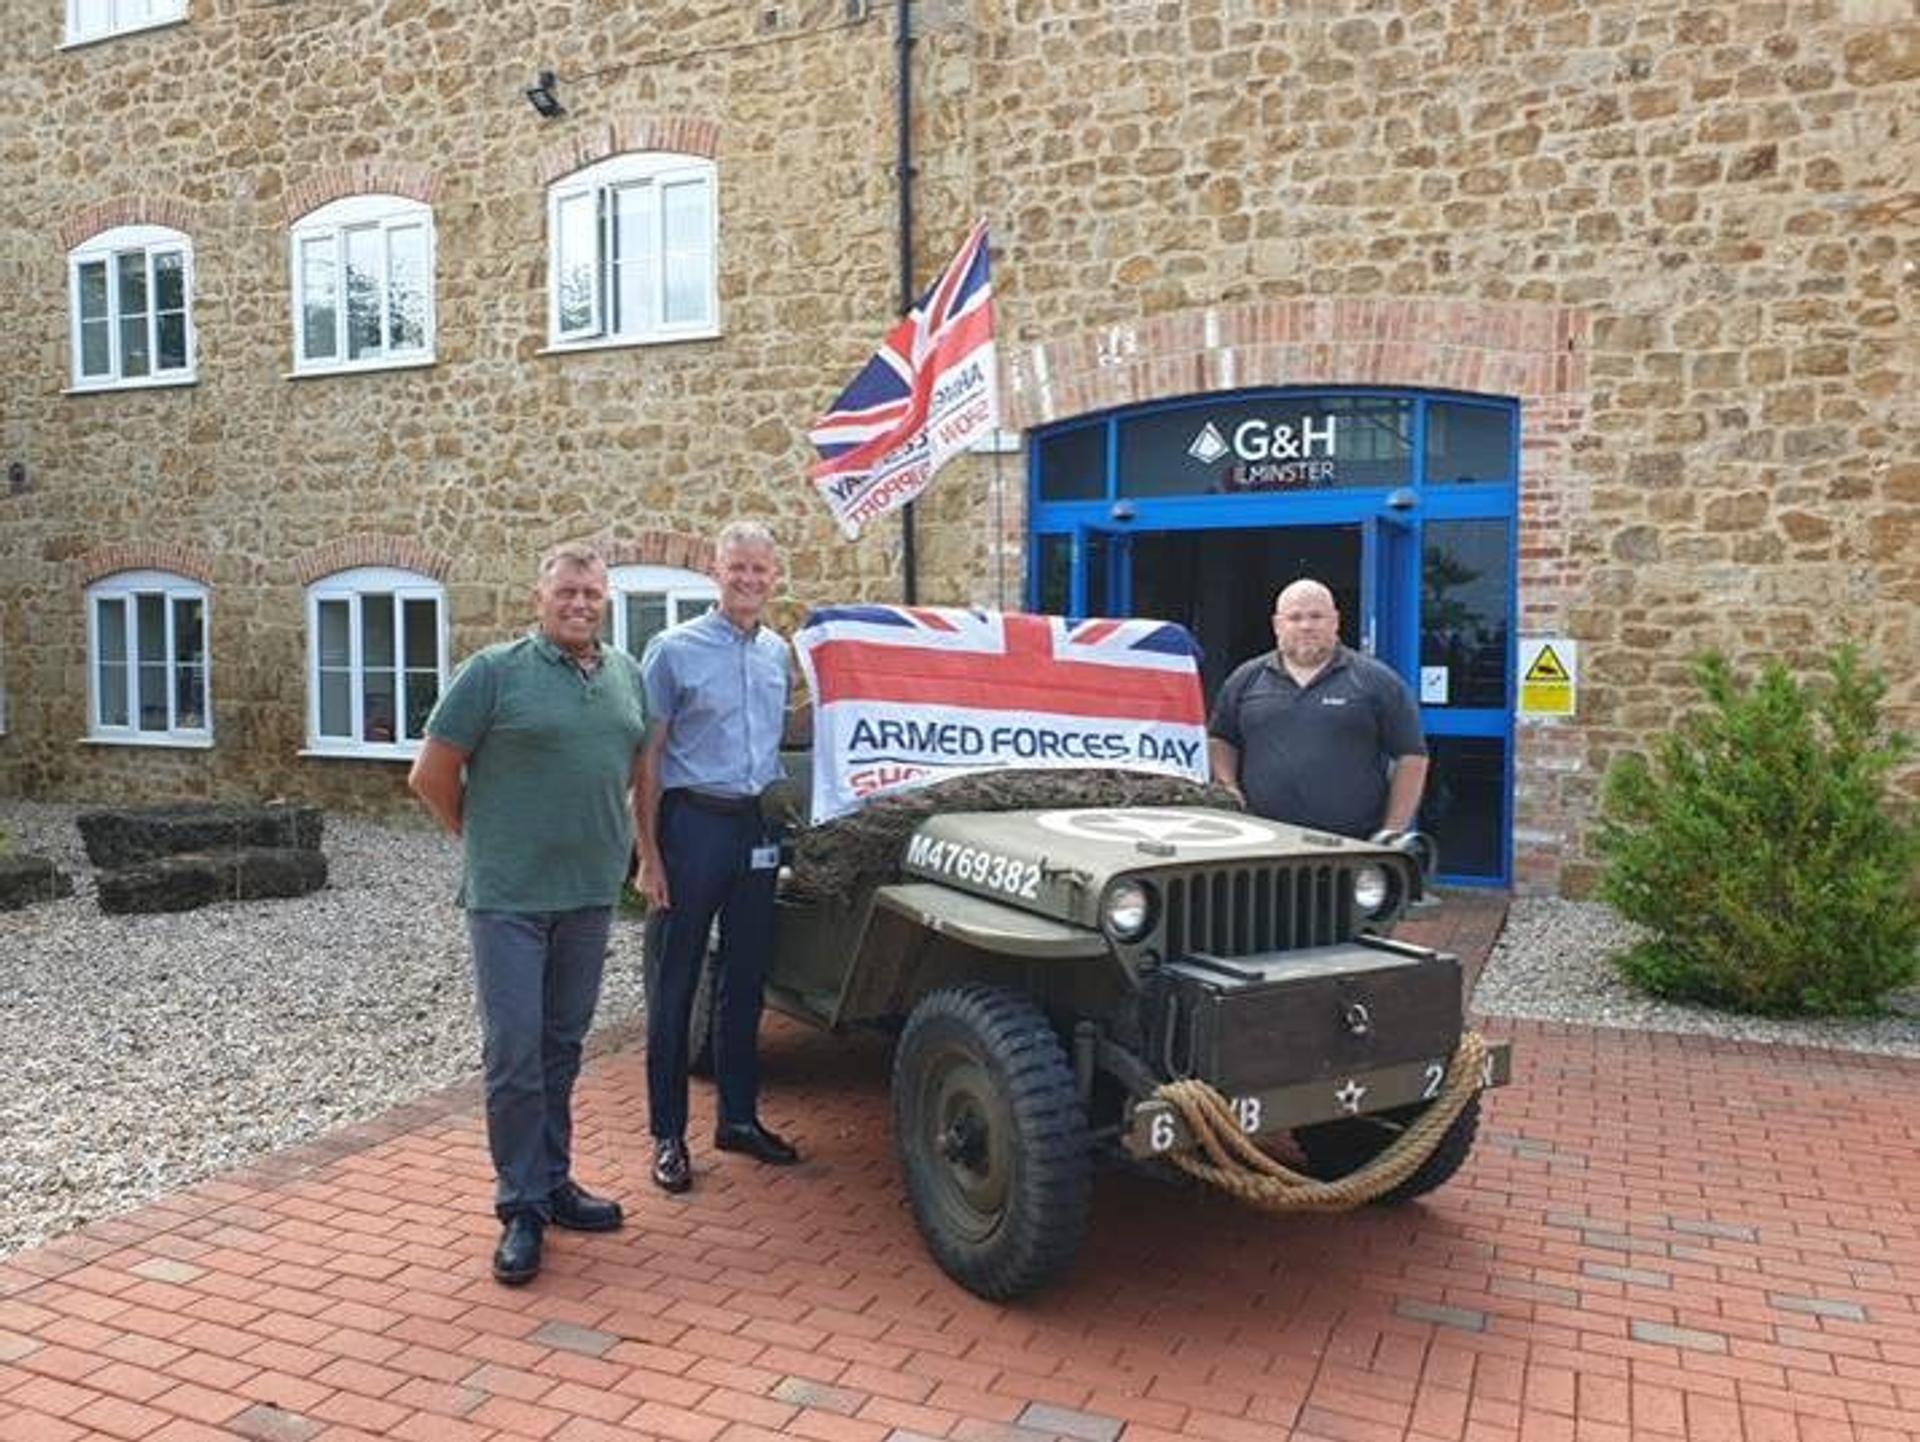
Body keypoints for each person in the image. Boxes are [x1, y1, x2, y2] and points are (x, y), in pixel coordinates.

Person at [408, 542, 646, 1286]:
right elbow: (430, 775)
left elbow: (635, 769)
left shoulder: (624, 675)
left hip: (588, 894)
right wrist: (483, 839)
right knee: (513, 1054)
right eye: (567, 592)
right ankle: (520, 1208)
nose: (580, 604)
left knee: (560, 1048)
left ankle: (553, 1182)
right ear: (540, 598)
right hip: (509, 897)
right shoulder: (494, 673)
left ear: (605, 601)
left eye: (592, 594)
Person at [635, 520, 800, 1194]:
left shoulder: (778, 653)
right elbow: (645, 758)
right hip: (692, 826)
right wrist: (648, 855)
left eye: (761, 570)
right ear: (716, 571)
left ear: (774, 577)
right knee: (674, 987)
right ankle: (668, 1135)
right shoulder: (672, 650)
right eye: (738, 569)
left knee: (745, 981)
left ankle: (737, 1117)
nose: (750, 580)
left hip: (754, 830)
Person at [1208, 578, 1429, 839]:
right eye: (1295, 617)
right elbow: (1221, 739)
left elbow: (1412, 757)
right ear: (1277, 625)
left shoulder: (1377, 681)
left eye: (1316, 616)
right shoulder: (1245, 679)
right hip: (1261, 843)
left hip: (1351, 845)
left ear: (1335, 621)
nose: (1306, 626)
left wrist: (1393, 831)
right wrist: (1229, 788)